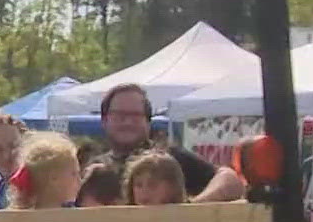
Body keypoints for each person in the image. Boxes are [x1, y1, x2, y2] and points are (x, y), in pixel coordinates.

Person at [93, 84, 245, 202]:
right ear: (105, 120)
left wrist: (192, 207)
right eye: (120, 115)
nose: (127, 122)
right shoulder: (94, 170)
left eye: (135, 115)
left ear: (148, 122)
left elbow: (230, 179)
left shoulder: (168, 159)